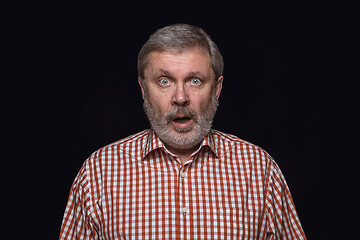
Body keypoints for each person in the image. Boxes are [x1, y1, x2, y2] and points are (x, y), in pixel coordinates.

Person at [59, 23, 306, 239]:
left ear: (216, 89)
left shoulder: (259, 170)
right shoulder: (98, 174)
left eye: (194, 80)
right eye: (164, 81)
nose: (180, 97)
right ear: (143, 89)